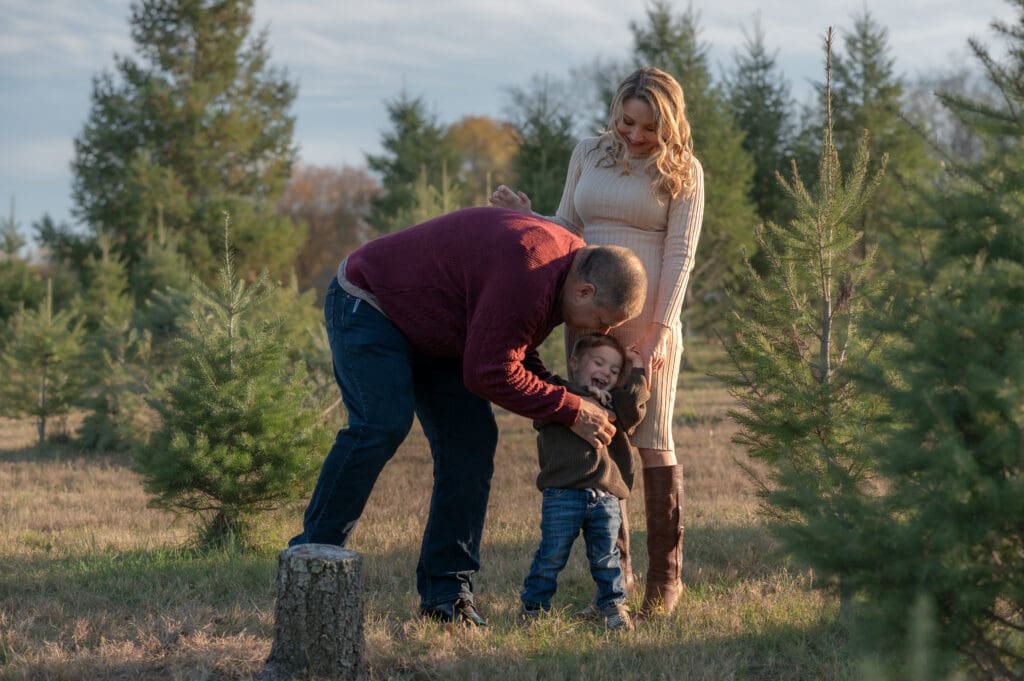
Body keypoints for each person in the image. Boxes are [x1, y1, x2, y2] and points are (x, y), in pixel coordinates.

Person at [288, 206, 648, 627]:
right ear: (585, 291)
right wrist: (569, 408)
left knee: (471, 442)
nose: (600, 334)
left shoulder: (565, 271)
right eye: (603, 322)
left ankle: (446, 596)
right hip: (370, 301)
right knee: (380, 424)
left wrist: (564, 396)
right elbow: (488, 371)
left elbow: (508, 346)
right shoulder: (532, 269)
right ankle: (308, 564)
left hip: (440, 330)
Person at [490, 66, 705, 616]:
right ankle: (617, 582)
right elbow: (565, 226)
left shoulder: (683, 171)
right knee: (598, 437)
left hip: (649, 323)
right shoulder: (589, 152)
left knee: (651, 436)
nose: (636, 136)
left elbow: (681, 256)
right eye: (628, 122)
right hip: (588, 318)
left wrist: (660, 332)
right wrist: (524, 217)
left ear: (670, 123)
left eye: (650, 127)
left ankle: (666, 583)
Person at [520, 333, 649, 631]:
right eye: (599, 363)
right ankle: (533, 608)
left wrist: (638, 368)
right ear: (575, 363)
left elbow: (633, 407)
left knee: (607, 558)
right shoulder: (557, 395)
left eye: (615, 370)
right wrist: (580, 395)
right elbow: (541, 405)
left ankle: (613, 607)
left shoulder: (614, 405)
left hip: (605, 498)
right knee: (551, 556)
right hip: (562, 496)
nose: (606, 372)